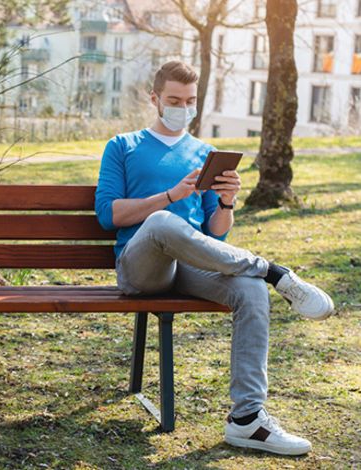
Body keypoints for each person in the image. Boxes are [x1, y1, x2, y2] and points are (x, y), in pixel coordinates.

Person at [94, 61, 334, 456]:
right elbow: (109, 215)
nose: (182, 107)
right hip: (141, 268)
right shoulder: (123, 146)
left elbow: (216, 234)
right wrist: (171, 195)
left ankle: (247, 420)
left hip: (190, 266)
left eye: (190, 101)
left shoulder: (205, 153)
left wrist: (226, 201)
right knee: (161, 221)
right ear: (154, 99)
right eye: (173, 100)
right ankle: (276, 272)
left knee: (250, 289)